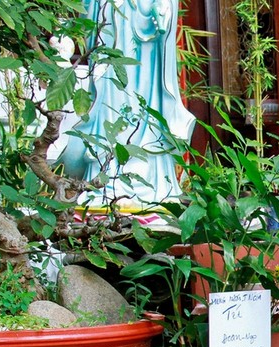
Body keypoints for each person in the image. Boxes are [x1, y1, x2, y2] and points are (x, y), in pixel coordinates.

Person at [60, 0, 195, 207]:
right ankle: (105, 173)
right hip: (111, 27)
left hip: (147, 37)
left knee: (147, 105)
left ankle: (149, 177)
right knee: (110, 96)